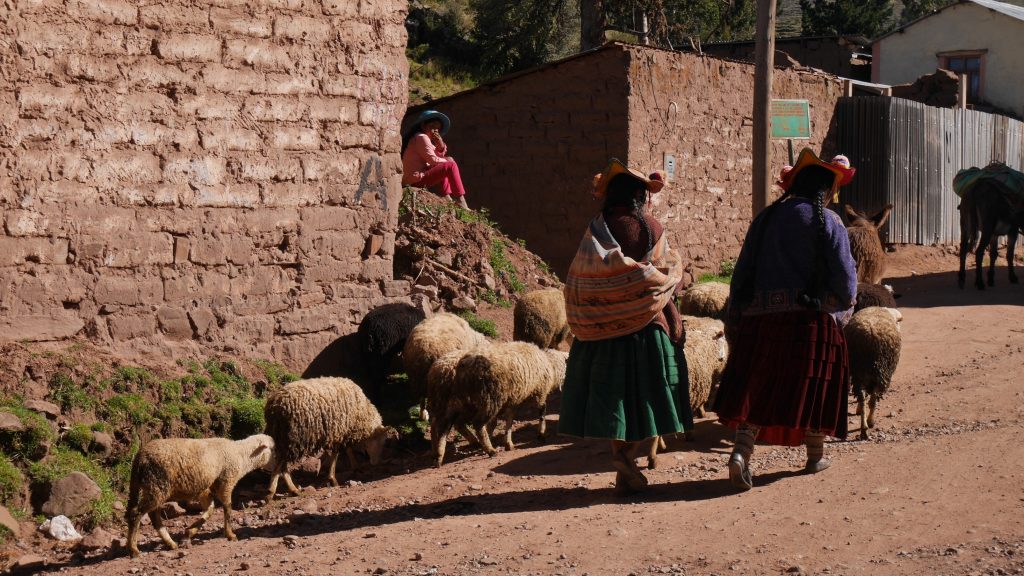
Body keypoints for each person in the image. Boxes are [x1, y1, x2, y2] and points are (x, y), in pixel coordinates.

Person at [713, 148, 858, 491]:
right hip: (810, 321)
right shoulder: (830, 222)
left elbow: (742, 274)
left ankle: (740, 452)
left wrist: (738, 316)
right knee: (813, 385)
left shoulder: (765, 218)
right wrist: (835, 310)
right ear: (826, 189)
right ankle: (814, 455)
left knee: (756, 387)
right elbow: (848, 285)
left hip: (760, 321)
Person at [559, 159, 689, 495]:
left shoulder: (596, 228)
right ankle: (629, 457)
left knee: (615, 396)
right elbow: (664, 281)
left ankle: (620, 457)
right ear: (640, 196)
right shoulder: (652, 228)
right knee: (645, 396)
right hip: (647, 327)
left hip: (602, 326)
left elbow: (583, 272)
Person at [401, 109, 469, 209]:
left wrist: (440, 146)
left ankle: (447, 197)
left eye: (437, 129)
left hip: (417, 177)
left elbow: (437, 159)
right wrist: (449, 162)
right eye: (432, 127)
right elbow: (433, 160)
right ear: (423, 125)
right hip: (414, 179)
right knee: (450, 165)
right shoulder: (421, 137)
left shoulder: (422, 137)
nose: (435, 131)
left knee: (447, 161)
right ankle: (460, 200)